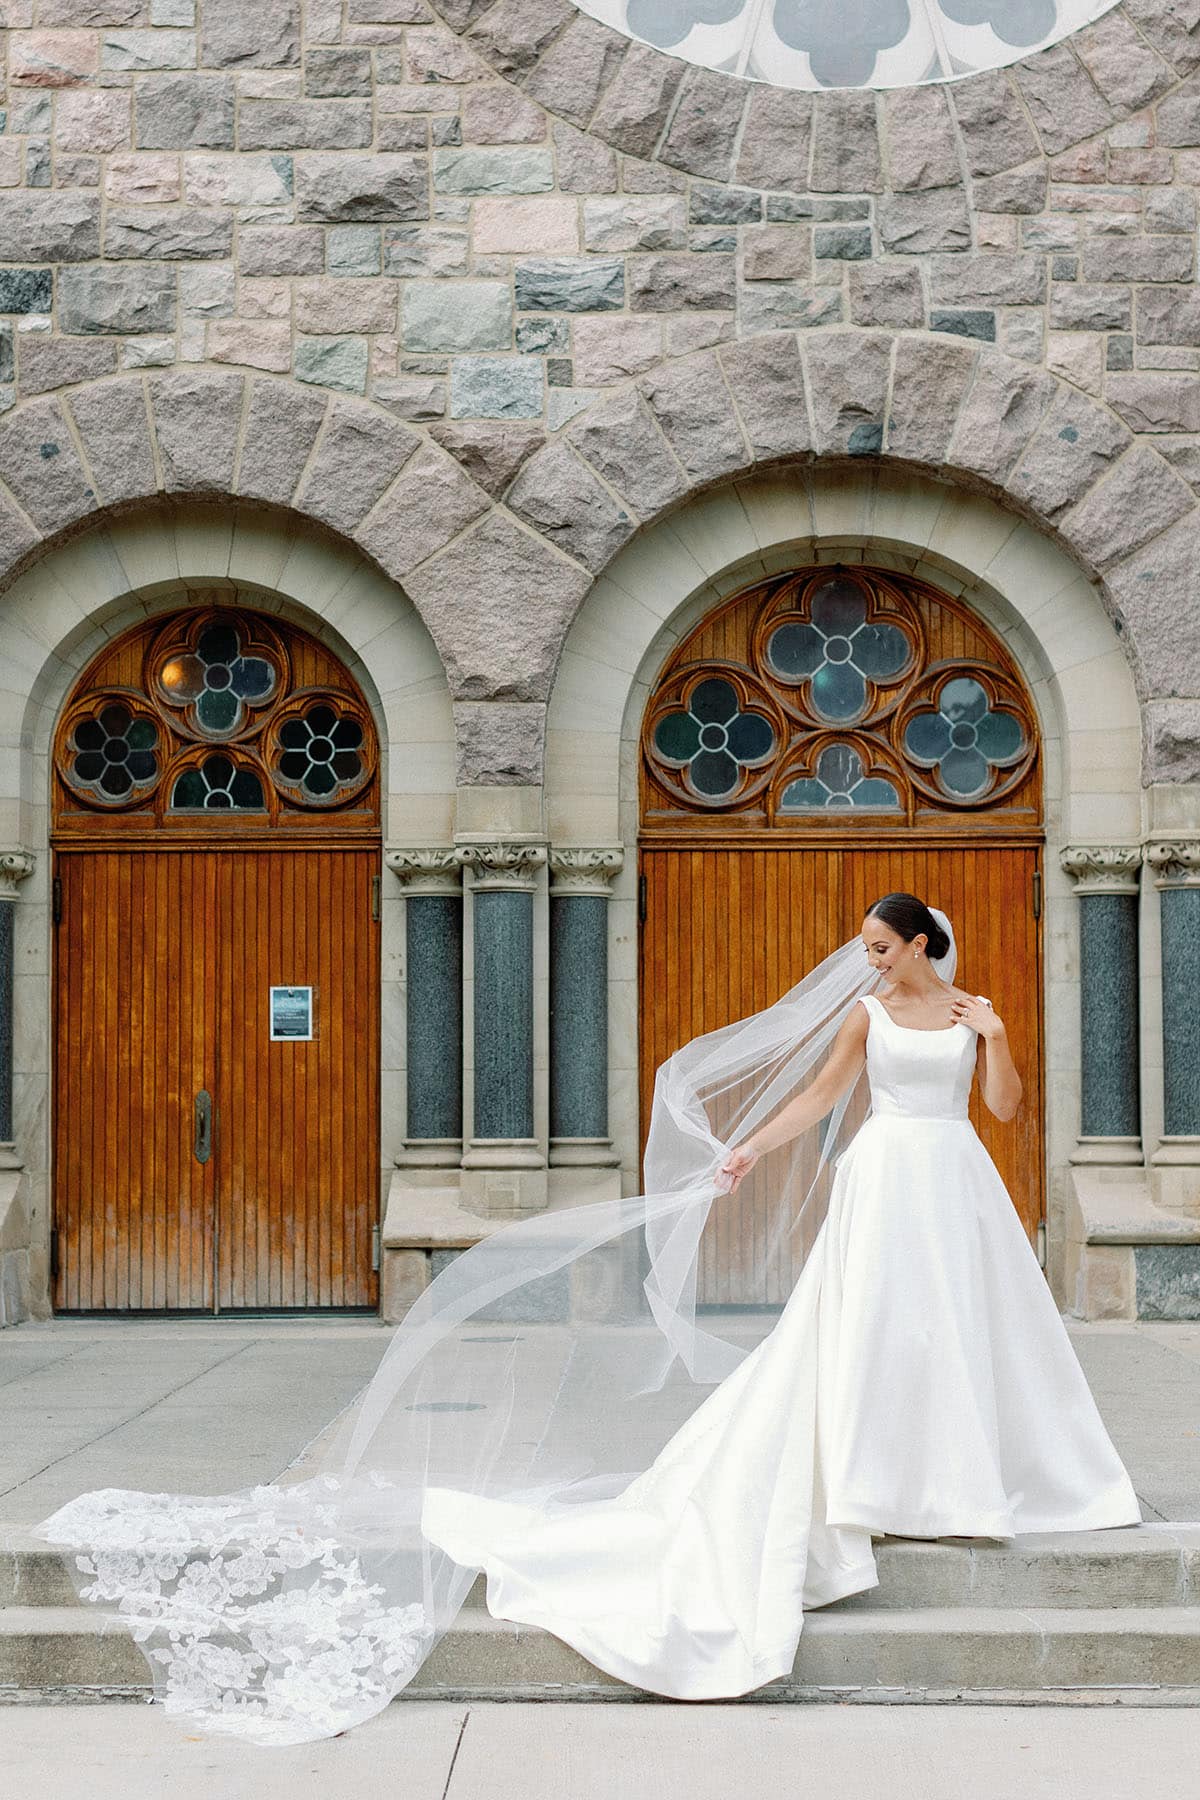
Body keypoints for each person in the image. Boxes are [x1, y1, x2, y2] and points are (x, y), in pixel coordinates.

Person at [36, 895, 1140, 1746]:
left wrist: (993, 1034)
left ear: (920, 944)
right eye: (864, 945)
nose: (869, 957)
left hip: (955, 1178)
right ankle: (879, 1476)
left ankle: (960, 1472)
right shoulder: (861, 1016)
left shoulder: (969, 1011)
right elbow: (820, 1100)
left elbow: (1002, 1111)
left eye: (882, 945)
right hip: (886, 1176)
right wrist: (750, 1147)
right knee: (875, 1333)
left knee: (964, 1334)